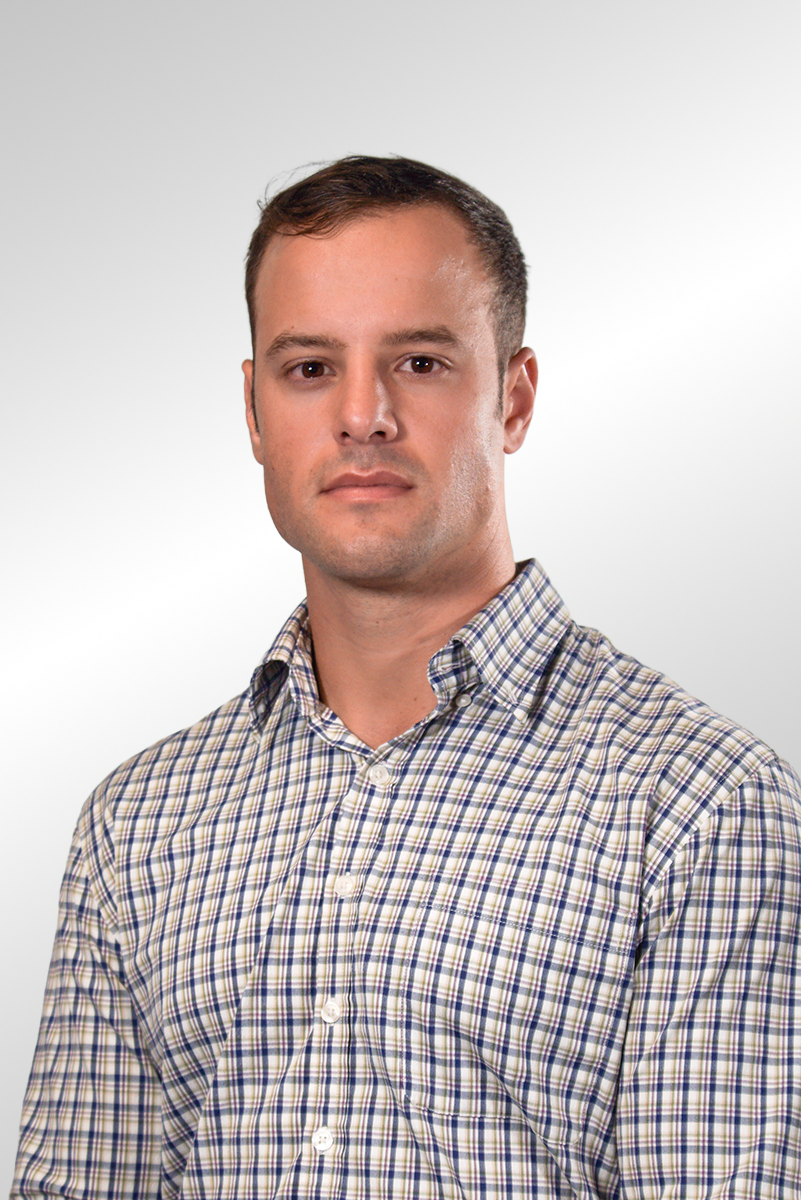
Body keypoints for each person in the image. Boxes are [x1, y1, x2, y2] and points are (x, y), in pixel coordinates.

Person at [11, 156, 801, 1200]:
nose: (363, 415)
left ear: (513, 399)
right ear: (253, 411)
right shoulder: (136, 825)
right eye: (309, 369)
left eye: (421, 363)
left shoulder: (701, 809)